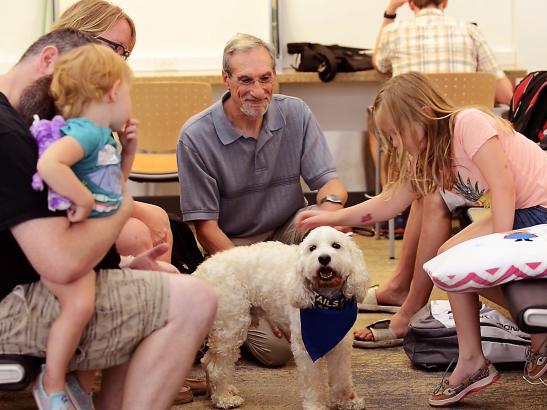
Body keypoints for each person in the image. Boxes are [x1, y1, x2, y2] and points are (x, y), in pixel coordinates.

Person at [295, 72, 547, 405]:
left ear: (423, 113)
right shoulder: (429, 156)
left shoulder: (467, 123)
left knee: (458, 262)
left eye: (395, 133)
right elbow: (390, 203)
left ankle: (532, 335)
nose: (394, 144)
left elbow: (504, 188)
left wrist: (497, 254)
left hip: (539, 209)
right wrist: (333, 217)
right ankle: (476, 359)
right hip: (525, 212)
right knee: (448, 262)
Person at [0, 28, 216, 410]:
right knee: (195, 298)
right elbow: (62, 263)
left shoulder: (27, 127)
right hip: (11, 308)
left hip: (25, 286)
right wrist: (118, 205)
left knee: (155, 281)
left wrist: (128, 265)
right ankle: (57, 383)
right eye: (67, 88)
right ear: (48, 60)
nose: (68, 102)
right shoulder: (9, 136)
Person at [177, 33, 348, 367]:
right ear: (225, 79)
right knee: (278, 352)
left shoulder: (295, 112)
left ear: (275, 76)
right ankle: (232, 317)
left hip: (287, 234)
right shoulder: (195, 136)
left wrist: (330, 211)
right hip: (237, 249)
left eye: (265, 78)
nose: (258, 91)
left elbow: (330, 184)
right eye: (245, 80)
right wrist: (258, 290)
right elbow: (206, 230)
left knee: (320, 219)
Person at [356, 0, 515, 346]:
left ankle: (403, 288)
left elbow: (377, 63)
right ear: (445, 3)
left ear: (410, 4)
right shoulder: (469, 32)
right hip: (449, 153)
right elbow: (505, 93)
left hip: (454, 149)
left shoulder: (398, 31)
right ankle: (405, 290)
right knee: (427, 188)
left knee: (426, 190)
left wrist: (388, 13)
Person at [29, 43, 136, 409]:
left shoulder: (102, 134)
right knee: (79, 307)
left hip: (98, 241)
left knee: (96, 309)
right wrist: (84, 200)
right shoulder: (86, 132)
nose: (129, 103)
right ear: (113, 90)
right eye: (130, 94)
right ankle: (51, 383)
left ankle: (77, 383)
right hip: (77, 238)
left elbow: (116, 184)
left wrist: (130, 149)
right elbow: (49, 165)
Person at [51, 0, 173, 263]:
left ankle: (161, 294)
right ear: (78, 33)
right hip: (68, 208)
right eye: (114, 48)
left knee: (159, 218)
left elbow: (107, 180)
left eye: (125, 53)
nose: (120, 60)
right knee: (139, 232)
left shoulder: (95, 104)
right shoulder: (67, 102)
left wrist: (126, 153)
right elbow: (56, 171)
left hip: (95, 199)